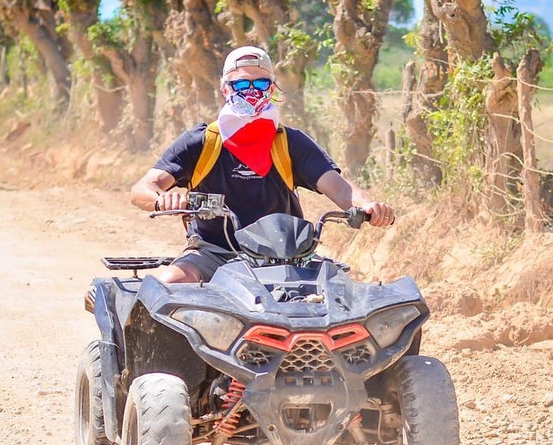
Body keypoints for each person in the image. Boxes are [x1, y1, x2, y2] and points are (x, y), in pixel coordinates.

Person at [130, 45, 395, 283]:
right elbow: (142, 189)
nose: (252, 91)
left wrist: (366, 205)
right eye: (242, 85)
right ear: (225, 88)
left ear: (272, 87)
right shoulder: (201, 143)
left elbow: (339, 188)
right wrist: (161, 199)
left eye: (261, 83)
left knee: (339, 299)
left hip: (285, 258)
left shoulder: (291, 142)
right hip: (212, 254)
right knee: (168, 286)